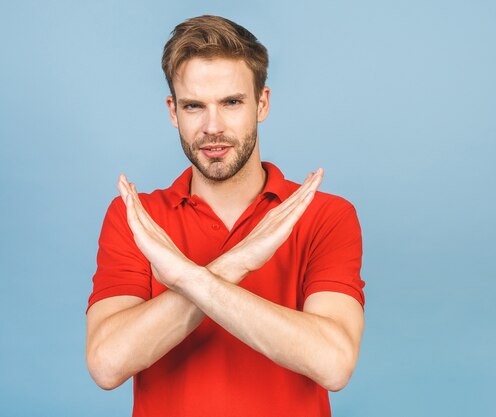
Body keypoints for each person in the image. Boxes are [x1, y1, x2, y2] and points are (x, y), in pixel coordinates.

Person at [86, 15, 365, 417]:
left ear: (262, 103)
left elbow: (334, 363)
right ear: (173, 111)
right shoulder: (138, 217)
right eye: (194, 106)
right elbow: (106, 363)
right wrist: (238, 263)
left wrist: (184, 275)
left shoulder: (325, 215)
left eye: (231, 102)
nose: (212, 127)